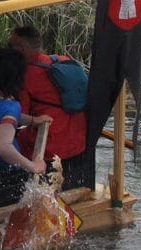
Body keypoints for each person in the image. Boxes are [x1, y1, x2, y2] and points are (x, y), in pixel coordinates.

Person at [7, 26, 85, 164]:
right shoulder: (62, 60)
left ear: (22, 49)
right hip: (79, 141)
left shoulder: (25, 75)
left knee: (6, 146)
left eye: (10, 46)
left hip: (50, 147)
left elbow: (17, 116)